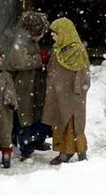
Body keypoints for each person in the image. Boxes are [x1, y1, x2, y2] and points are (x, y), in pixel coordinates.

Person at [41, 17, 90, 165]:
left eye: (55, 32)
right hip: (58, 95)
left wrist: (77, 91)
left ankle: (75, 152)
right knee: (60, 121)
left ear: (64, 33)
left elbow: (83, 74)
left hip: (72, 95)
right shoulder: (58, 49)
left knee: (72, 123)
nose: (52, 35)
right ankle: (64, 151)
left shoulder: (77, 51)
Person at [6, 11, 52, 161]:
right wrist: (40, 58)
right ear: (33, 30)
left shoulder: (31, 41)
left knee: (35, 113)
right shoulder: (19, 42)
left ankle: (36, 140)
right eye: (40, 32)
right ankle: (26, 146)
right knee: (24, 116)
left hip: (32, 85)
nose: (41, 35)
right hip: (22, 86)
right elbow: (20, 62)